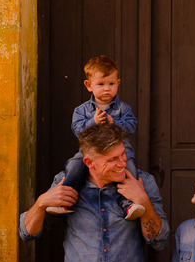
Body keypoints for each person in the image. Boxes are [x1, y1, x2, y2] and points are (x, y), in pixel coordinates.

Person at [21, 123, 169, 262]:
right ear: (89, 163)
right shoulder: (66, 183)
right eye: (112, 159)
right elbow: (27, 233)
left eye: (122, 155)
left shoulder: (143, 183)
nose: (122, 164)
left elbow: (160, 241)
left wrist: (143, 201)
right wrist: (41, 203)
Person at [53, 55, 144, 220]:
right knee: (73, 166)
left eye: (111, 84)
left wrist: (114, 122)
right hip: (91, 152)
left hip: (120, 151)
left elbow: (131, 126)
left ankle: (129, 204)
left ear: (118, 83)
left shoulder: (123, 109)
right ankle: (66, 201)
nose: (106, 88)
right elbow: (77, 130)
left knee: (129, 170)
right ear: (89, 86)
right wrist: (92, 122)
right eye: (101, 84)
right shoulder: (82, 110)